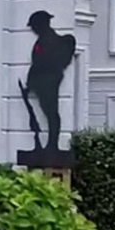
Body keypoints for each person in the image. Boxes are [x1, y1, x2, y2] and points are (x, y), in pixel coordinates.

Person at [20, 10, 76, 152]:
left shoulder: (48, 40)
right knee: (50, 112)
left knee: (51, 112)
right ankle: (51, 144)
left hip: (47, 81)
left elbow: (39, 64)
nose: (33, 29)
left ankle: (52, 144)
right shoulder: (45, 39)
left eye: (34, 26)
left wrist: (30, 82)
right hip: (44, 80)